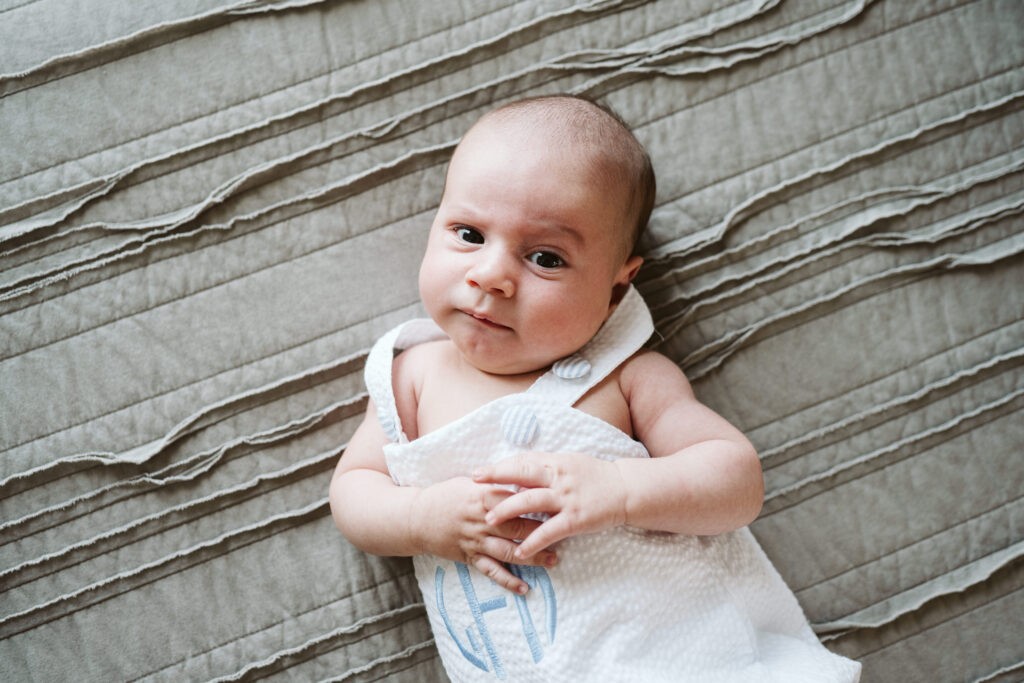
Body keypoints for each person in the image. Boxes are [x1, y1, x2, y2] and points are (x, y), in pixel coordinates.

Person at [329, 94, 861, 682]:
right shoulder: (413, 375)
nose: (491, 276)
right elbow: (353, 492)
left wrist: (621, 490)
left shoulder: (629, 378)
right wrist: (424, 518)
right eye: (469, 233)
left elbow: (737, 483)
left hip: (685, 657)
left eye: (545, 258)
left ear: (616, 286)